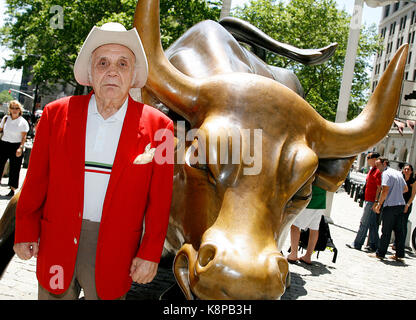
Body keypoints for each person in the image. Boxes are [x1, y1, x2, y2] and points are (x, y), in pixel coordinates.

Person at [13, 22, 174, 300]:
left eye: (122, 63)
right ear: (91, 72)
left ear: (133, 74)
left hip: (117, 251)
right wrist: (25, 230)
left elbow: (160, 201)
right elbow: (36, 179)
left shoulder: (162, 128)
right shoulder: (54, 115)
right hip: (57, 241)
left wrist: (150, 253)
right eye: (103, 63)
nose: (112, 71)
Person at [372, 158, 407, 262]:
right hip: (400, 205)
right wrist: (396, 194)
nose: (377, 168)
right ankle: (399, 255)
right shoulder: (398, 173)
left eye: (378, 165)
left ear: (385, 163)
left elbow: (385, 190)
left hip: (391, 206)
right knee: (399, 231)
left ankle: (380, 253)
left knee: (386, 231)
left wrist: (379, 204)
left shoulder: (386, 173)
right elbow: (405, 189)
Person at [346, 152, 381, 252]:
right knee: (372, 224)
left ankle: (357, 243)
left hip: (372, 200)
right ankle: (375, 245)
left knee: (364, 223)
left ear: (374, 159)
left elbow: (379, 187)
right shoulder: (373, 170)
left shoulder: (378, 171)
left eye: (369, 158)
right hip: (368, 199)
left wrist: (376, 201)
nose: (367, 160)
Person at [287, 185, 326, 265]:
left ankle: (293, 254)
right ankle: (308, 256)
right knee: (314, 229)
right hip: (321, 199)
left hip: (308, 198)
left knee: (295, 225)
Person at [0, 100, 29, 197]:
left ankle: (12, 189)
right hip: (4, 144)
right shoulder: (5, 119)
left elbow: (24, 137)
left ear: (20, 110)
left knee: (15, 168)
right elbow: (1, 130)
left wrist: (20, 148)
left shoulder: (23, 122)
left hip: (16, 145)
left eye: (16, 108)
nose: (14, 110)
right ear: (9, 109)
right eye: (12, 108)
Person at [393, 163, 416, 251]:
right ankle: (395, 242)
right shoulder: (400, 178)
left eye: (408, 169)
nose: (406, 171)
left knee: (403, 224)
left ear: (411, 171)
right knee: (395, 223)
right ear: (403, 170)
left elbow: (413, 195)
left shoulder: (413, 181)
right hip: (397, 203)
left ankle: (400, 245)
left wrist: (407, 205)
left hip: (406, 204)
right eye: (405, 169)